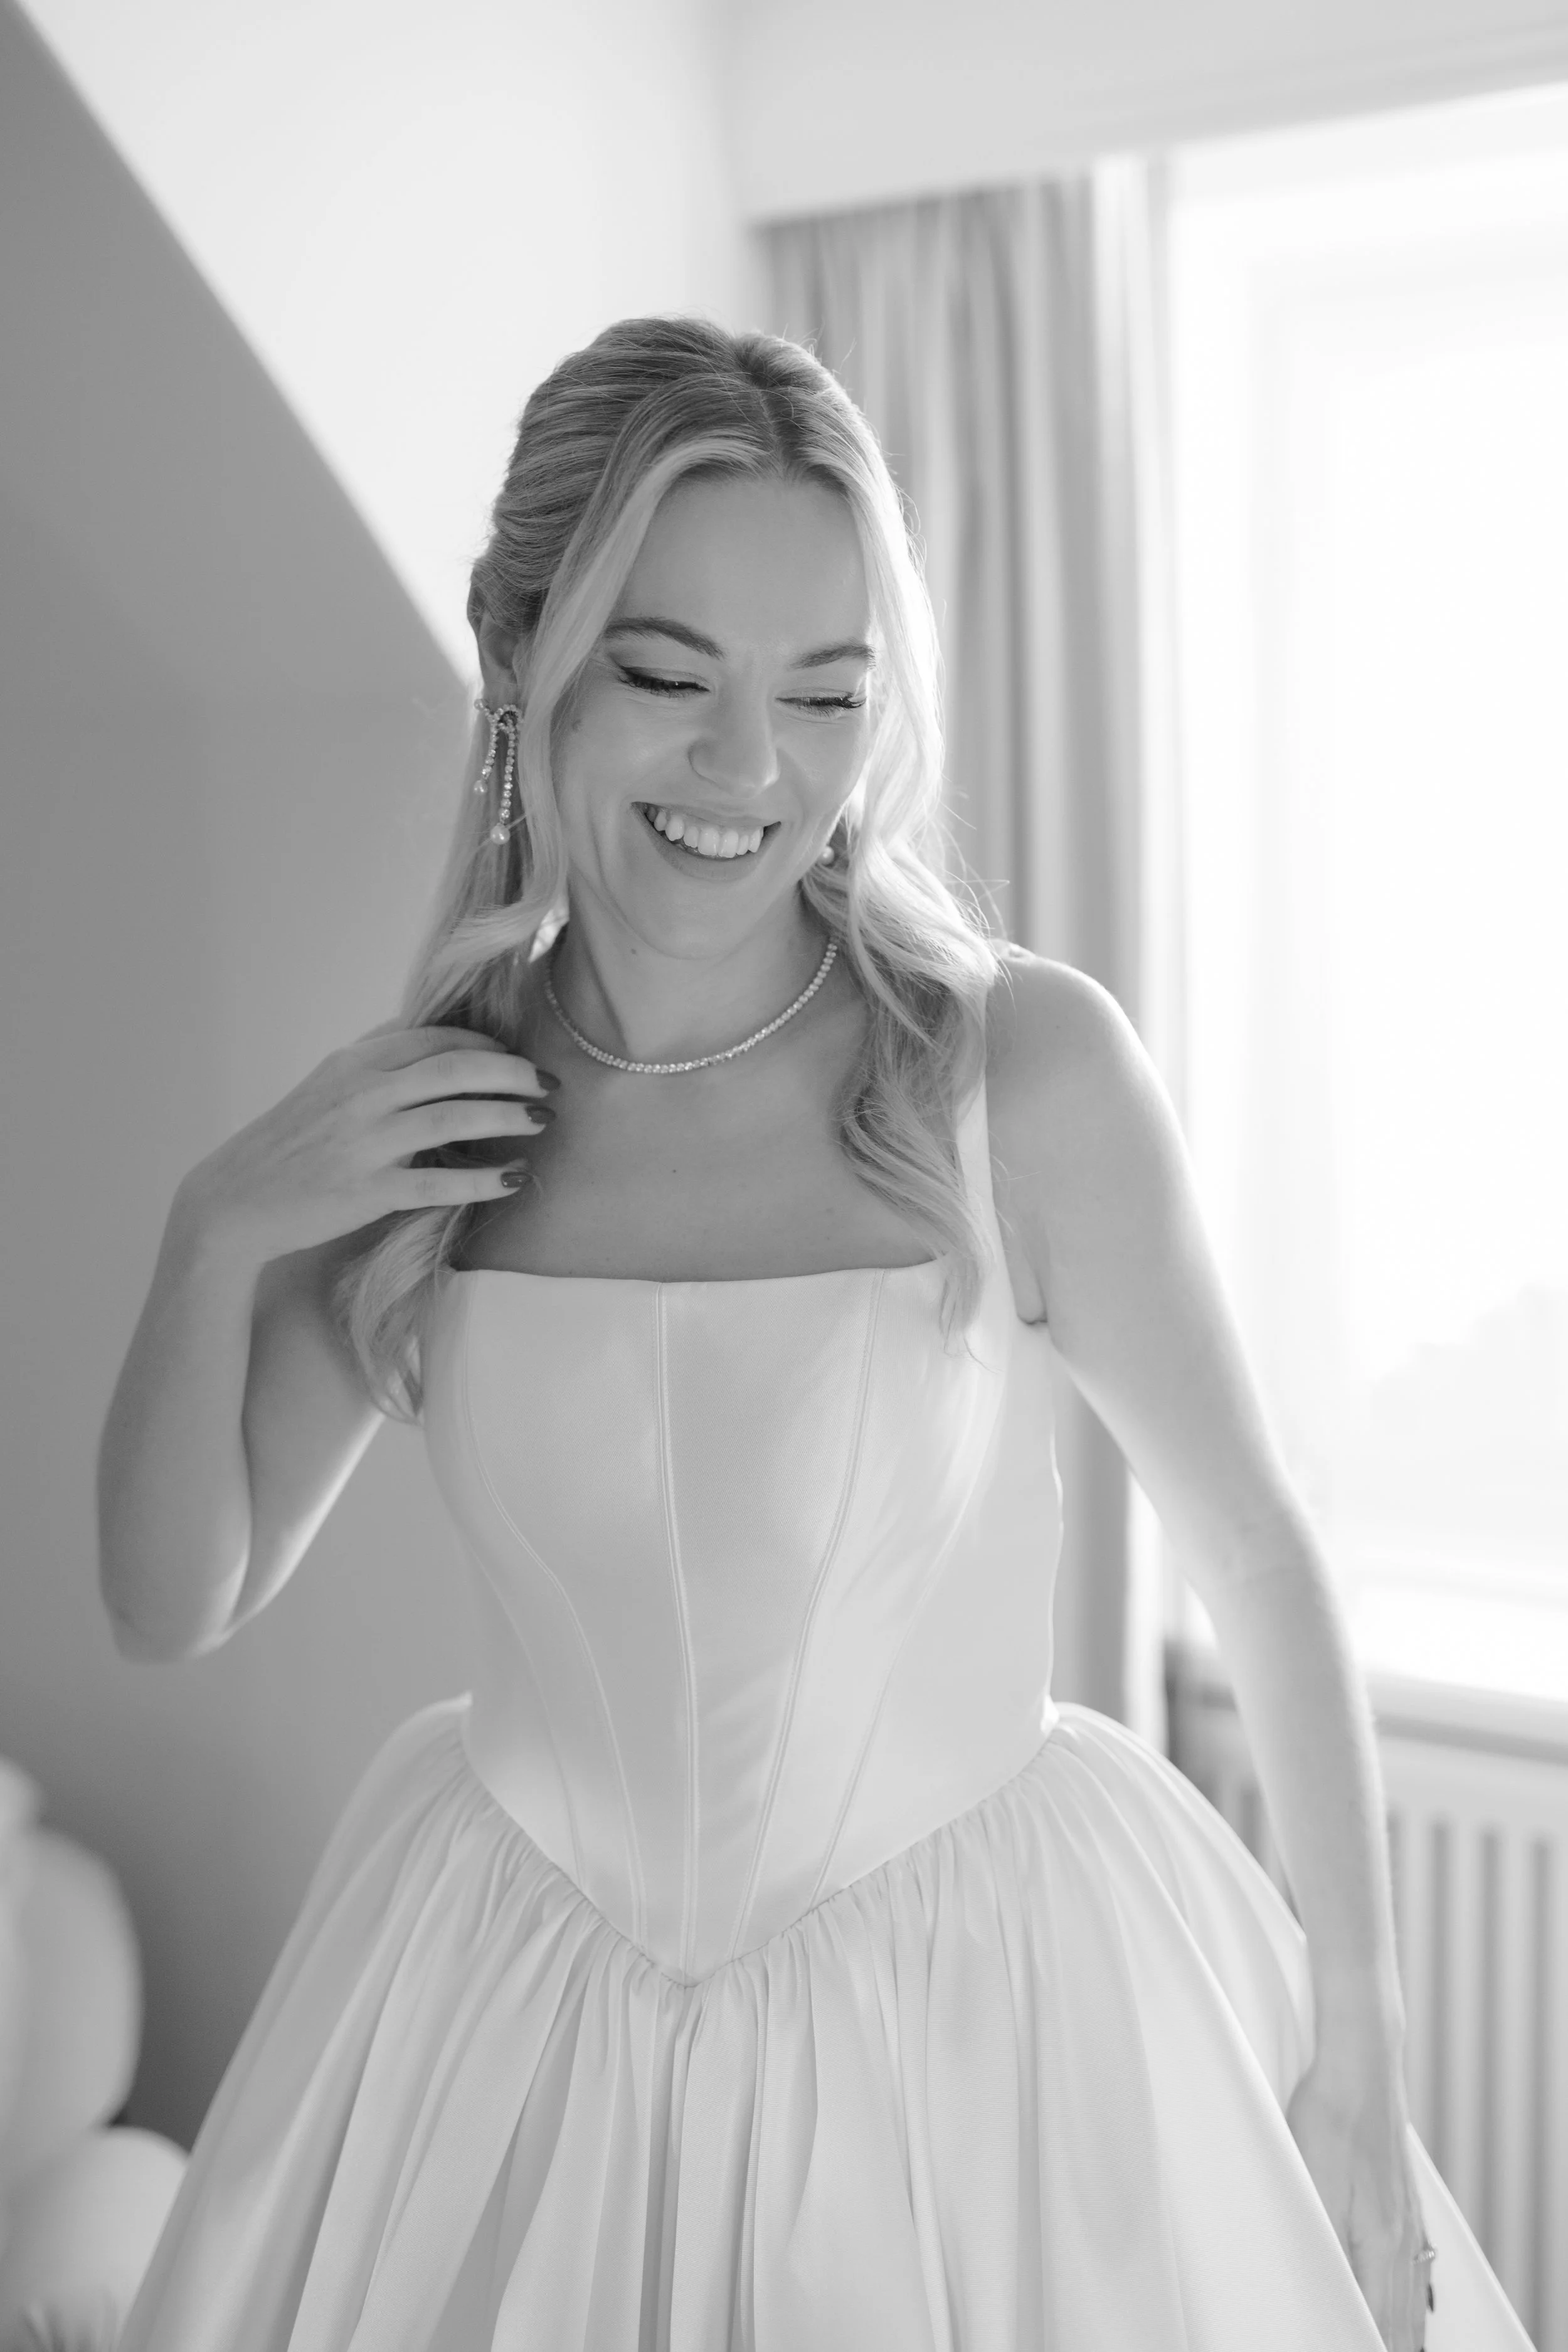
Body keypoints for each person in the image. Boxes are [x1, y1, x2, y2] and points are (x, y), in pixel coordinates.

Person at [98, 317, 1527, 2352]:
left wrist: (1362, 2041)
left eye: (827, 692)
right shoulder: (434, 1114)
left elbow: (1258, 1550)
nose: (749, 771)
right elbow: (174, 1597)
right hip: (515, 2018)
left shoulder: (1011, 1068)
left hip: (991, 2024)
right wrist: (212, 1223)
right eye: (667, 676)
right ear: (521, 667)